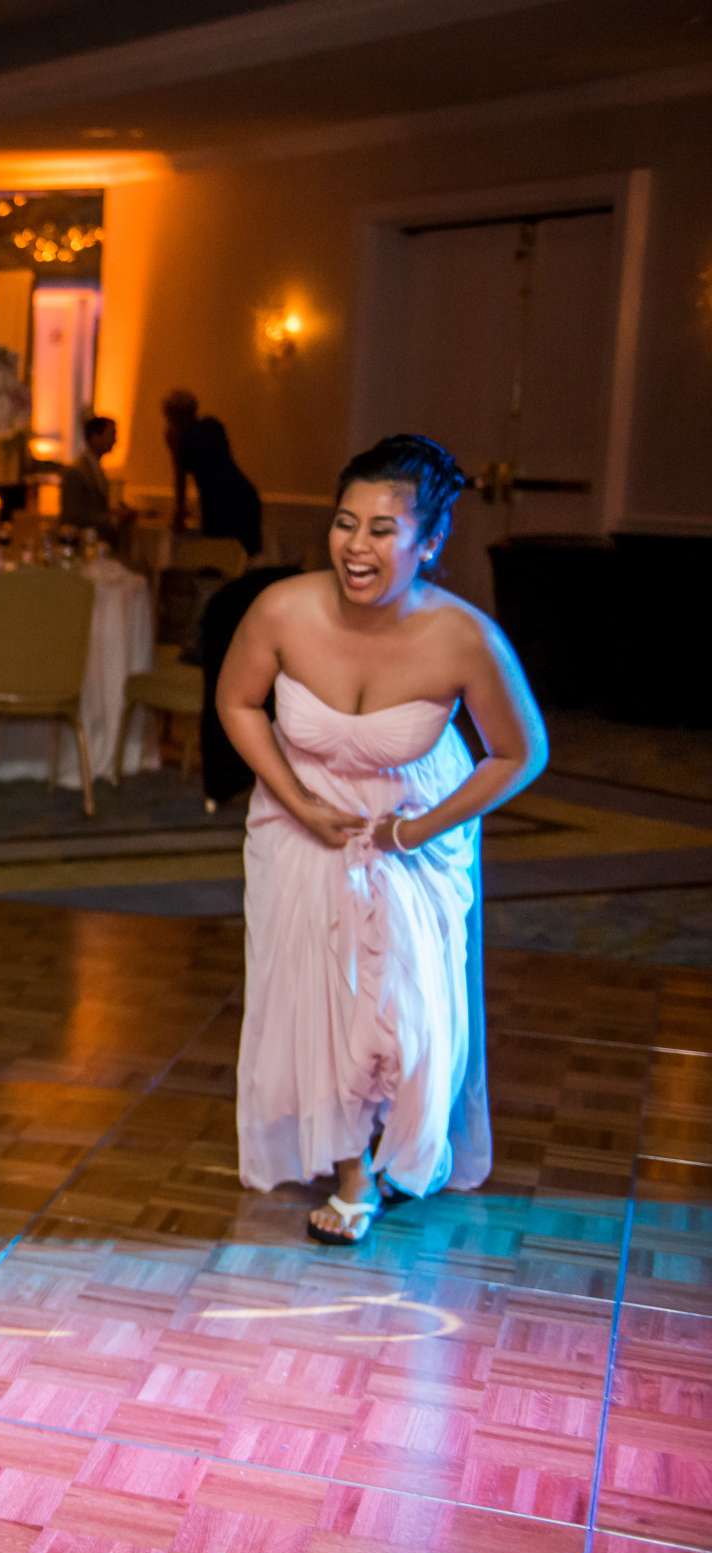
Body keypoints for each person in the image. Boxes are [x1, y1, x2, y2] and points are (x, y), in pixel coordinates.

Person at [216, 435, 546, 1245]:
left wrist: (418, 829)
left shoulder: (464, 638)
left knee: (405, 1008)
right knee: (322, 996)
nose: (355, 547)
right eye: (343, 523)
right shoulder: (281, 610)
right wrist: (296, 801)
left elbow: (521, 750)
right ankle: (352, 1171)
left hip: (415, 832)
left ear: (429, 542)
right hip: (302, 826)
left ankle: (399, 1146)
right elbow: (237, 703)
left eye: (381, 529)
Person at [165, 389, 263, 558]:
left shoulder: (182, 437)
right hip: (241, 496)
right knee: (237, 557)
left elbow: (181, 477)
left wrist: (179, 513)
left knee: (221, 557)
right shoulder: (212, 426)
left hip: (222, 503)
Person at [59, 415, 134, 542]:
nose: (115, 440)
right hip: (82, 543)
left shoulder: (96, 469)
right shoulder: (76, 472)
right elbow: (73, 516)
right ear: (95, 437)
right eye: (111, 434)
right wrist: (111, 517)